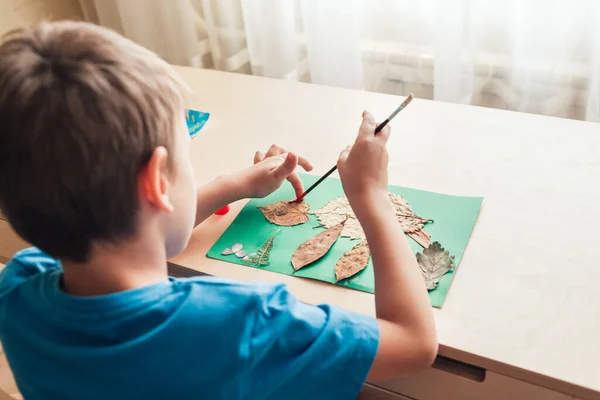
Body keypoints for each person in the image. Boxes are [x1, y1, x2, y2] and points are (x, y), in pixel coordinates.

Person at [0, 21, 437, 400]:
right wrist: (370, 195)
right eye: (185, 155)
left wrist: (235, 186)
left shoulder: (16, 289)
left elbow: (124, 234)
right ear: (156, 181)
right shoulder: (243, 325)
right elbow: (415, 343)